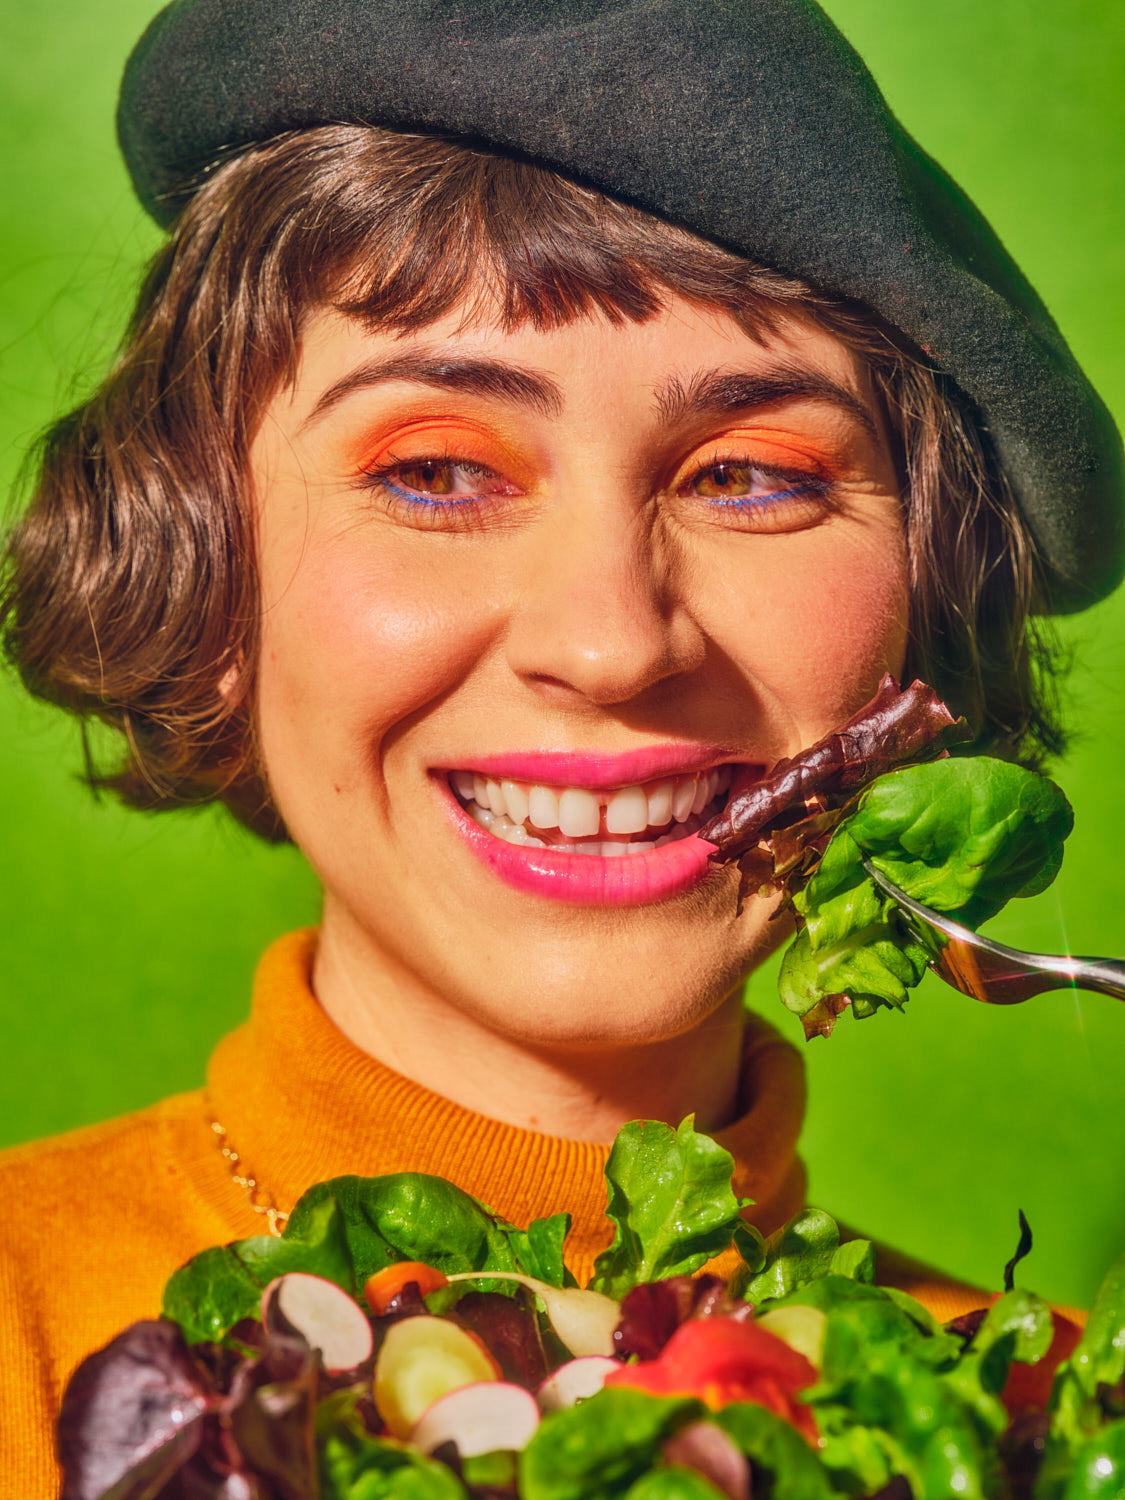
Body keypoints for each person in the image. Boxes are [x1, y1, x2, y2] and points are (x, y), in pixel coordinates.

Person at [0, 0, 1120, 1491]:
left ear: (926, 607)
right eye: (438, 470)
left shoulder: (1045, 1427)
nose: (607, 645)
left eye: (751, 478)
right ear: (208, 578)